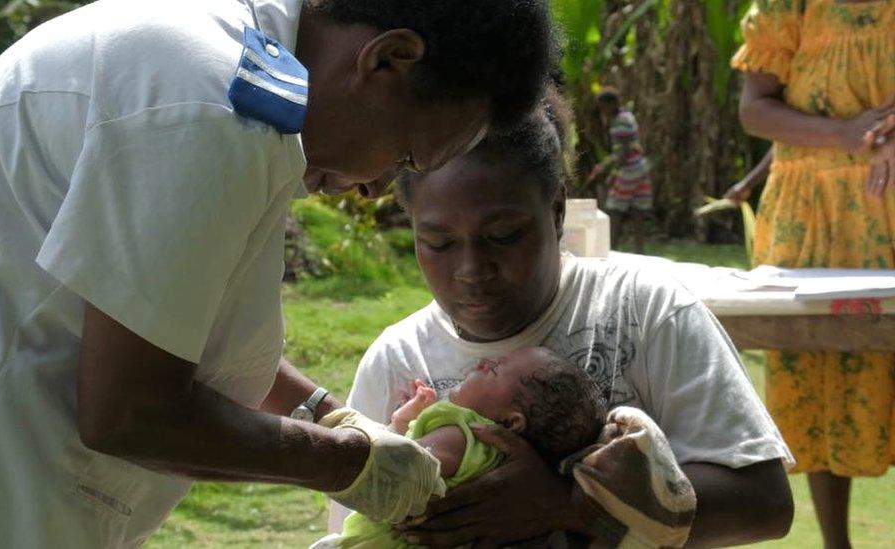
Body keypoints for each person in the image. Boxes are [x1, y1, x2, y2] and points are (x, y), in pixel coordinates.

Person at [0, 0, 556, 546]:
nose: (376, 189)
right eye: (408, 155)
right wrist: (351, 463)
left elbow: (164, 320)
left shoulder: (240, 79)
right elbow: (128, 411)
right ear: (388, 59)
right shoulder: (210, 108)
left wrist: (327, 412)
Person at [330, 93, 795, 547]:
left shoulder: (645, 310)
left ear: (555, 211)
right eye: (440, 243)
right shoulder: (397, 360)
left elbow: (764, 503)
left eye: (503, 235)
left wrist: (571, 504)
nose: (472, 270)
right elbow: (358, 525)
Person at [732, 1, 895, 547]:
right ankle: (836, 544)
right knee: (821, 375)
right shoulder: (790, 6)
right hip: (810, 217)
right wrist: (846, 133)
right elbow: (755, 110)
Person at [317, 347, 609, 548]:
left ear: (510, 423)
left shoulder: (463, 434)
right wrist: (404, 420)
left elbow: (401, 469)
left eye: (495, 370)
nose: (484, 361)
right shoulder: (498, 460)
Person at [585, 87, 653, 253]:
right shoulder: (627, 116)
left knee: (614, 209)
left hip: (629, 170)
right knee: (638, 209)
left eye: (603, 107)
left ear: (612, 104)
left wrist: (612, 176)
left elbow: (622, 153)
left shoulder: (618, 122)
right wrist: (603, 166)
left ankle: (611, 249)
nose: (602, 111)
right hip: (641, 168)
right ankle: (639, 251)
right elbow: (623, 150)